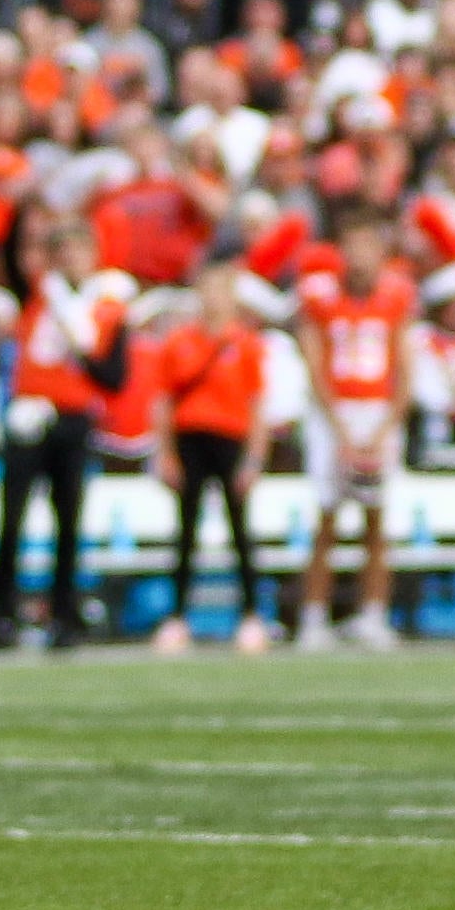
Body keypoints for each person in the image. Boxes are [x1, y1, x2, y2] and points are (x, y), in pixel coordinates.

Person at [0, 219, 129, 650]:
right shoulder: (40, 293)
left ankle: (64, 612)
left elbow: (114, 376)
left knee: (68, 520)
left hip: (72, 419)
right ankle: (3, 612)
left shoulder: (104, 308)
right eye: (64, 251)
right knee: (12, 517)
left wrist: (83, 350)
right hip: (30, 415)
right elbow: (9, 252)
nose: (72, 260)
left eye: (79, 251)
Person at [294, 215, 414, 650]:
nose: (360, 257)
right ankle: (313, 616)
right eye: (352, 246)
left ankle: (373, 614)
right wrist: (341, 430)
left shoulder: (396, 297)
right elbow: (313, 366)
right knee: (326, 517)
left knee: (376, 520)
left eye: (368, 247)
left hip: (376, 411)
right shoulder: (320, 298)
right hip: (335, 413)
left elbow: (405, 370)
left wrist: (383, 429)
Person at [150, 259, 273, 654]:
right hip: (191, 437)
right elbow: (165, 400)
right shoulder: (180, 342)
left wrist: (255, 457)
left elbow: (257, 405)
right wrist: (165, 451)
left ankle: (252, 614)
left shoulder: (246, 343)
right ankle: (178, 616)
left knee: (241, 529)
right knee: (186, 531)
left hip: (230, 438)